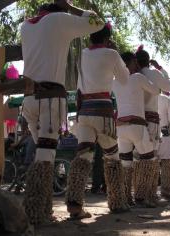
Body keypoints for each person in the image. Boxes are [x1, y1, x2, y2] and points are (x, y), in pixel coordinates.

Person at [21, 1, 104, 224]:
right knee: (45, 157)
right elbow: (98, 22)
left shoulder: (25, 25)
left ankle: (39, 208)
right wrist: (72, 7)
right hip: (50, 100)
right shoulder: (60, 20)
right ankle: (37, 213)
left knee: (41, 155)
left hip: (29, 99)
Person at [65, 24, 129, 219]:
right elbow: (125, 79)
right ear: (107, 38)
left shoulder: (82, 54)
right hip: (103, 111)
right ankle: (117, 202)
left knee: (83, 157)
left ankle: (74, 205)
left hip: (84, 111)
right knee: (112, 158)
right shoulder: (111, 54)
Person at [113, 52, 159, 207]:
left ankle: (125, 197)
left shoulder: (114, 82)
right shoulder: (138, 78)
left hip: (120, 128)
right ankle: (141, 196)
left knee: (126, 164)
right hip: (137, 126)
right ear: (132, 62)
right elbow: (157, 91)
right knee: (148, 159)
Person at [135, 47, 170, 205]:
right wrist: (160, 69)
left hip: (132, 119)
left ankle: (134, 193)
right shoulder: (153, 73)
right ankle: (147, 194)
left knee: (134, 158)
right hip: (150, 119)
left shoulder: (131, 75)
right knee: (150, 158)